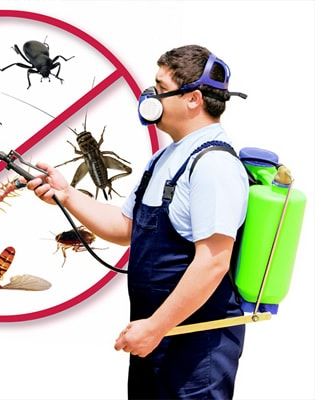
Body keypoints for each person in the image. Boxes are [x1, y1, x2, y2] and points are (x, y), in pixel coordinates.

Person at [24, 45, 249, 399]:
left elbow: (214, 262)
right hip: (153, 339)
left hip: (193, 352)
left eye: (159, 88)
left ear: (192, 100)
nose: (150, 96)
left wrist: (155, 328)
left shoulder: (215, 165)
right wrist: (66, 194)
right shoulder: (165, 157)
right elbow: (126, 228)